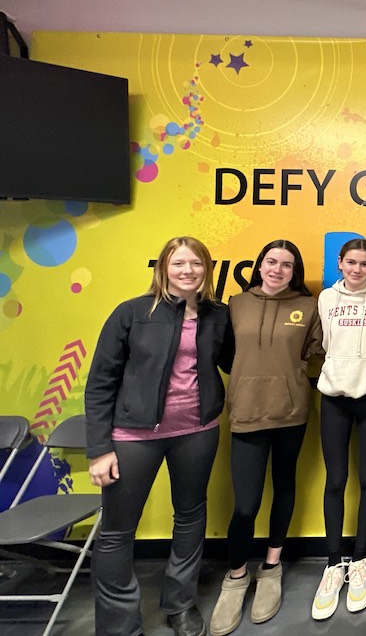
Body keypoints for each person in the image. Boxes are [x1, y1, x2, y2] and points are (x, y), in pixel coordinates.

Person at [85, 236, 234, 636]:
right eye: (179, 263)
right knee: (117, 531)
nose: (188, 271)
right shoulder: (132, 313)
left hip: (197, 432)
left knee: (189, 516)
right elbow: (100, 382)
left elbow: (238, 360)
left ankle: (180, 604)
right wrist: (100, 450)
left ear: (207, 269)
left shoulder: (216, 315)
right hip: (133, 437)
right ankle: (119, 625)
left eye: (197, 264)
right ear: (163, 268)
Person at [209, 240, 323, 636]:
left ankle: (271, 566)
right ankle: (236, 576)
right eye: (271, 262)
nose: (278, 269)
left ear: (295, 271)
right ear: (260, 266)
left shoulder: (309, 307)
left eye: (287, 265)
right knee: (246, 504)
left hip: (291, 413)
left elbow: (315, 351)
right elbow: (225, 354)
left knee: (285, 488)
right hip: (245, 412)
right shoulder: (236, 304)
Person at [312, 238, 366, 619]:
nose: (358, 269)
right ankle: (334, 563)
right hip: (333, 397)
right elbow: (327, 343)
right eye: (351, 263)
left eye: (365, 264)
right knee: (335, 480)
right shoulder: (326, 299)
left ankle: (360, 560)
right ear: (340, 263)